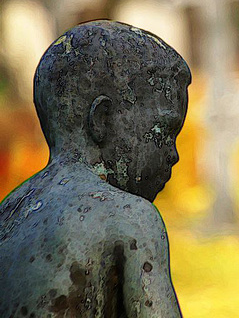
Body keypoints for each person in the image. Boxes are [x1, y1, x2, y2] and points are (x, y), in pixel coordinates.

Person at [0, 21, 190, 317]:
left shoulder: (8, 213)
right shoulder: (130, 219)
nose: (174, 155)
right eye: (163, 132)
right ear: (101, 120)